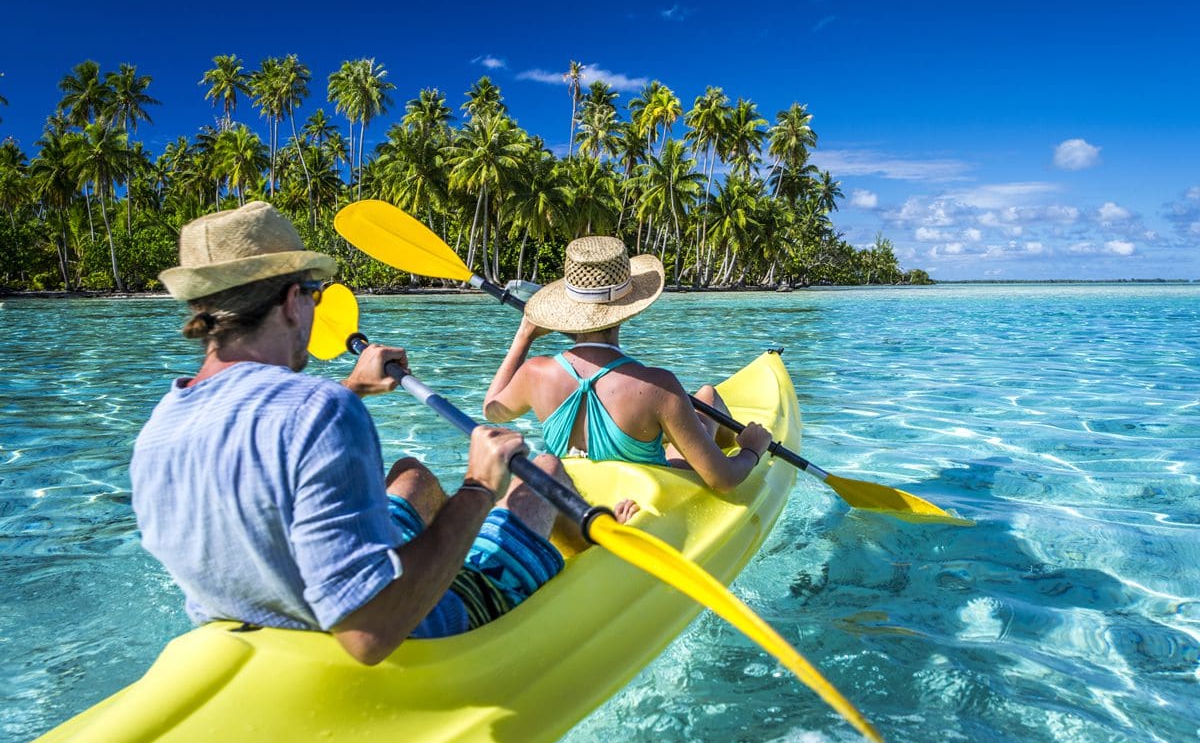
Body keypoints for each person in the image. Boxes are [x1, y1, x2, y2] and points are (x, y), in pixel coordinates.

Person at [131, 201, 580, 666]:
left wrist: (354, 388)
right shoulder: (320, 410)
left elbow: (269, 436)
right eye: (314, 293)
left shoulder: (159, 425)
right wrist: (479, 487)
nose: (313, 305)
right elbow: (369, 632)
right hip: (409, 632)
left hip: (259, 627)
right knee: (542, 473)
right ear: (291, 301)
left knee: (413, 476)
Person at [484, 236, 773, 493]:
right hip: (643, 500)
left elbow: (493, 410)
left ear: (569, 308)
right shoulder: (658, 386)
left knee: (705, 397)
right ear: (628, 309)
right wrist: (752, 450)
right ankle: (727, 438)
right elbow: (722, 481)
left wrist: (524, 336)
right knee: (708, 396)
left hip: (574, 498)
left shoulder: (535, 373)